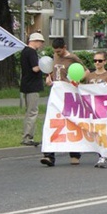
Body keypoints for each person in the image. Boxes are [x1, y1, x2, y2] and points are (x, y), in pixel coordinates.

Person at [41, 38, 85, 167]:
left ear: (64, 47)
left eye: (59, 51)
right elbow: (52, 72)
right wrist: (49, 79)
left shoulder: (73, 58)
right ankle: (49, 155)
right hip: (56, 93)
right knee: (52, 123)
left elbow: (85, 71)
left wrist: (76, 80)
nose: (58, 54)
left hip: (69, 93)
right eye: (55, 52)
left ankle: (75, 154)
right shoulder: (54, 56)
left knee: (71, 122)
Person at [82, 51, 107, 168]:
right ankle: (100, 154)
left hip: (105, 109)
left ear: (105, 62)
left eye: (100, 61)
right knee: (95, 133)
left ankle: (103, 156)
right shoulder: (90, 76)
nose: (97, 63)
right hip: (92, 109)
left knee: (104, 132)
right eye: (95, 60)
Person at [20, 32, 45, 147]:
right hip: (32, 85)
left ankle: (27, 136)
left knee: (29, 111)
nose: (41, 44)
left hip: (26, 84)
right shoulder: (32, 52)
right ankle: (28, 137)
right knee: (32, 112)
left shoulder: (24, 51)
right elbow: (35, 68)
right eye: (40, 42)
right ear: (34, 41)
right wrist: (45, 65)